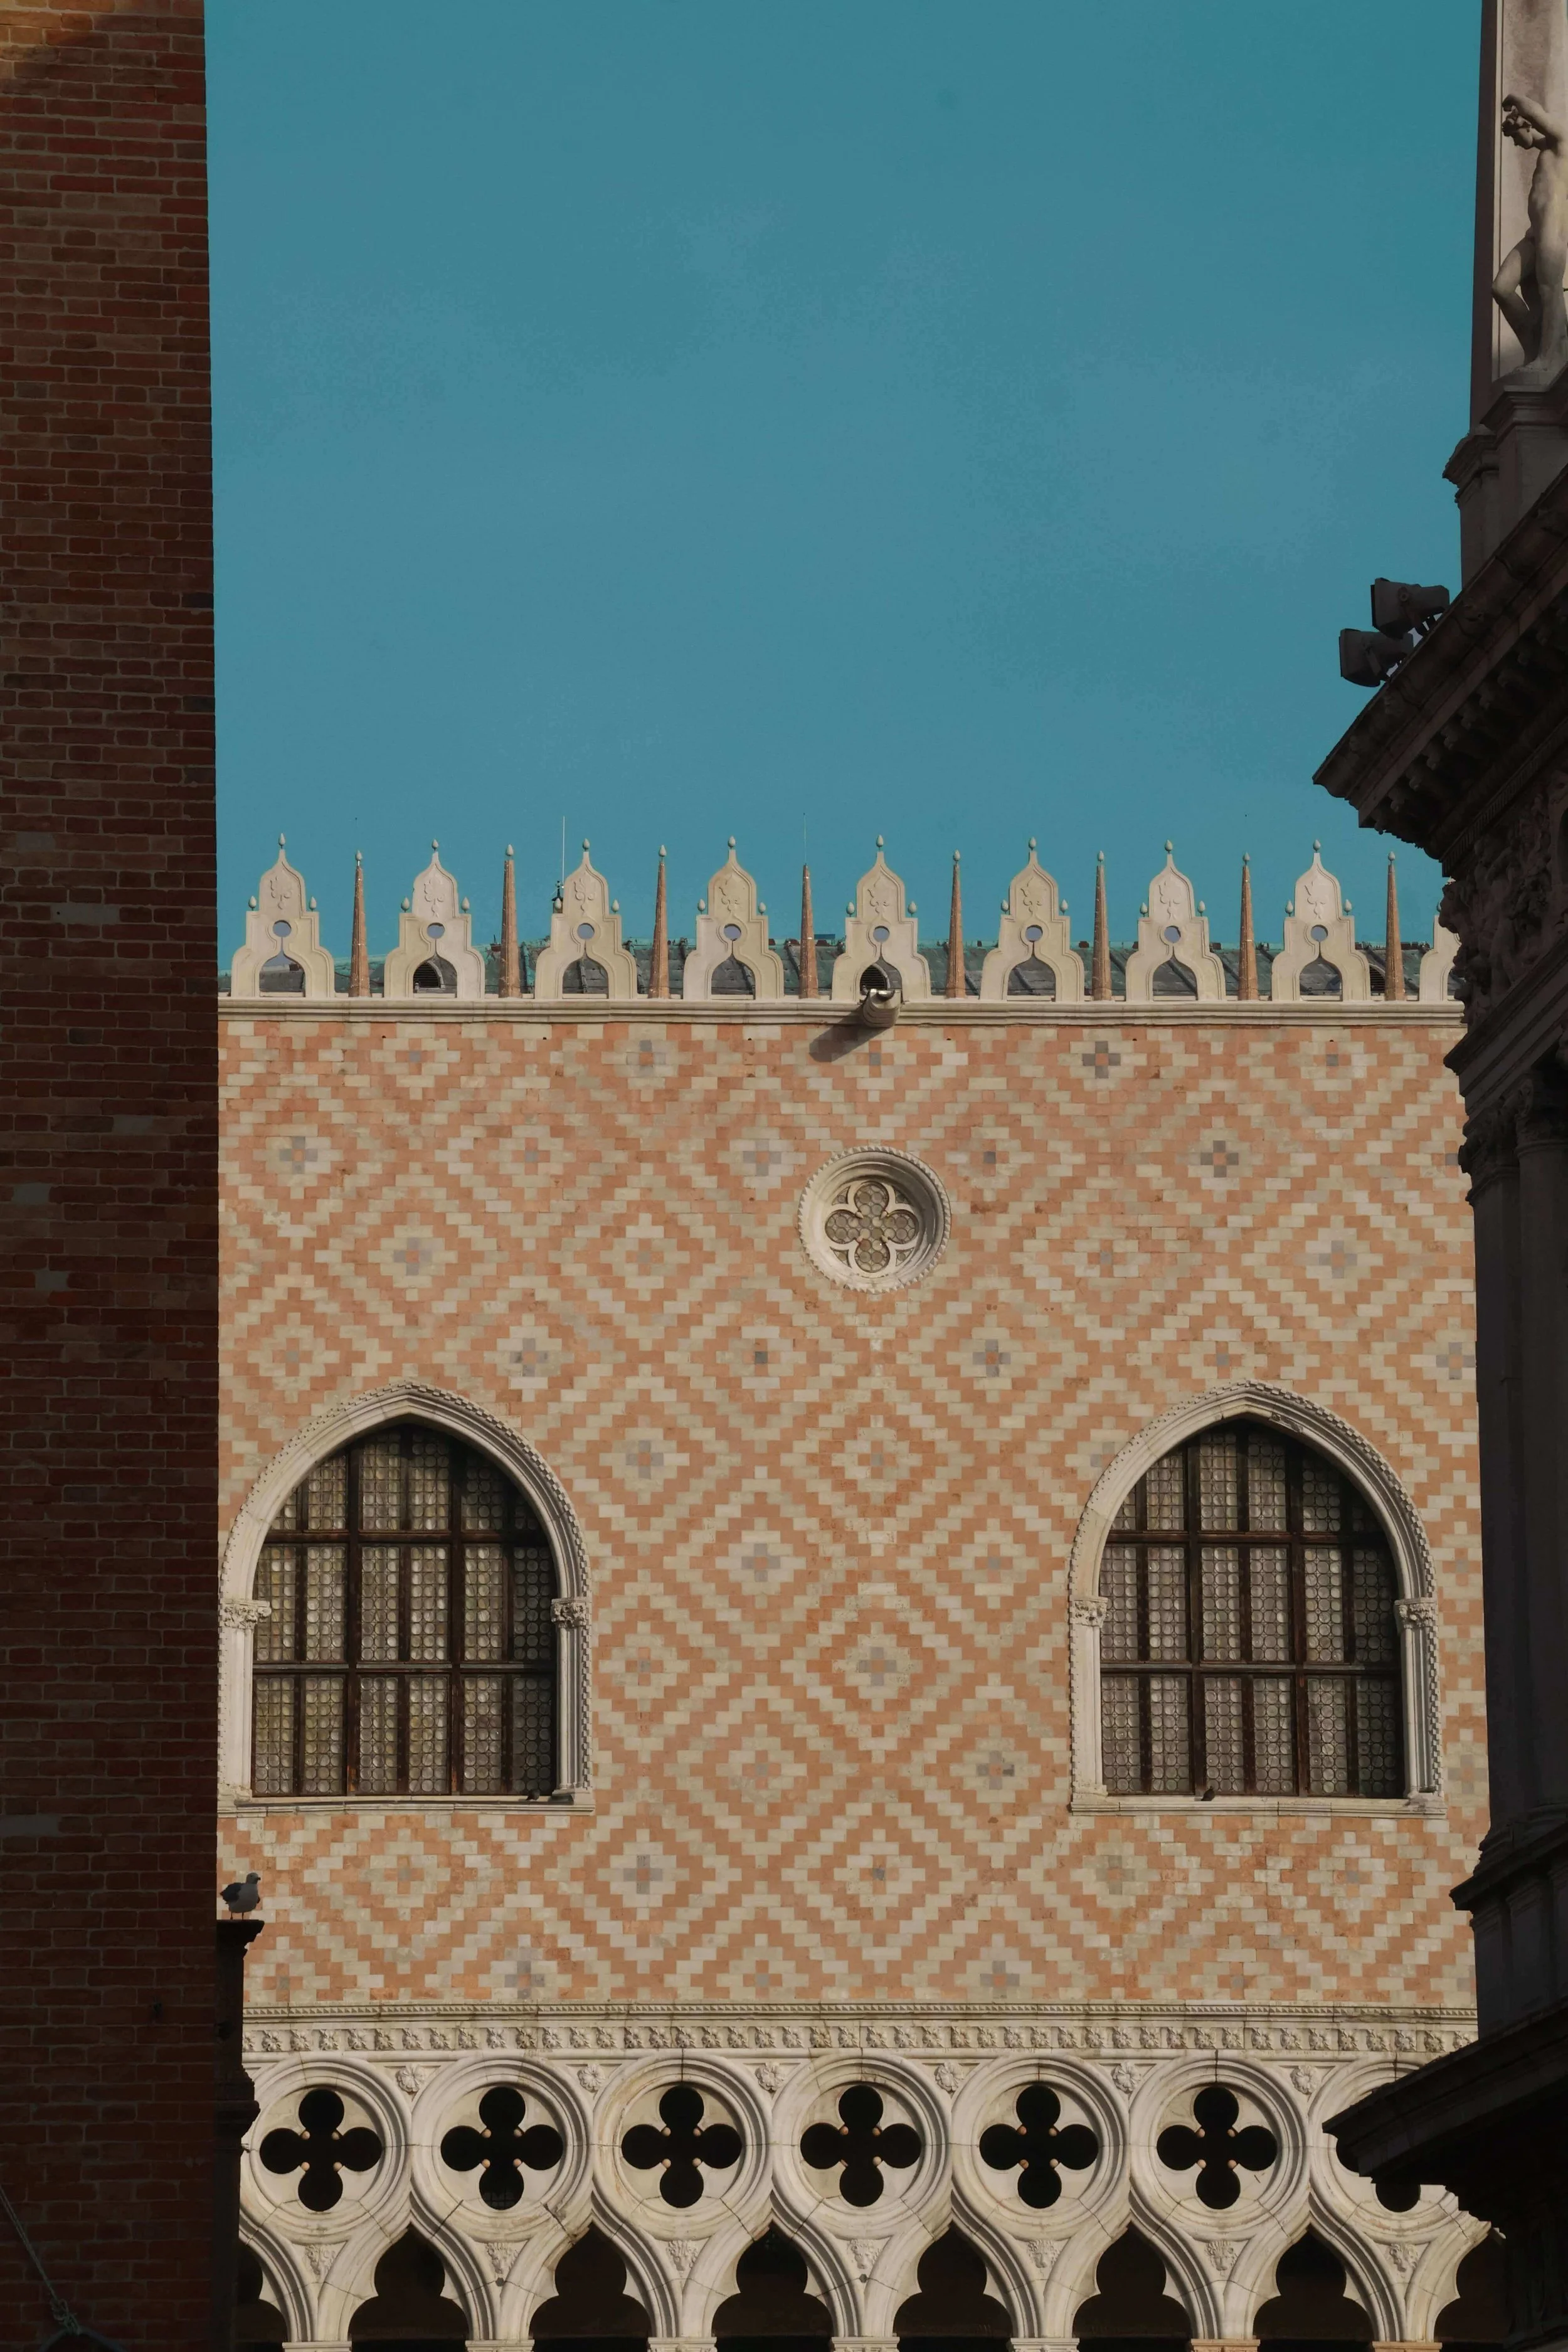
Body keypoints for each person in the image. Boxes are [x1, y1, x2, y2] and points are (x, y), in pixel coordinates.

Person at [1494, 88, 1568, 379]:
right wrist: (1518, 126)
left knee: (1551, 294)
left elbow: (1537, 116)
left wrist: (1514, 101)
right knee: (1501, 288)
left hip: (1553, 234)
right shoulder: (1548, 150)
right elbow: (1533, 138)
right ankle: (1535, 347)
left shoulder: (1563, 142)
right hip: (1534, 235)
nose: (1514, 143)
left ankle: (1552, 357)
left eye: (1514, 136)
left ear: (1527, 123)